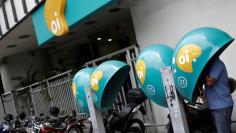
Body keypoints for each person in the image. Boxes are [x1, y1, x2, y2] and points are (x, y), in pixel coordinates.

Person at [205, 57, 234, 133]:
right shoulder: (211, 65)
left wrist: (202, 70)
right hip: (217, 106)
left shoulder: (217, 64)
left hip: (221, 106)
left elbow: (209, 82)